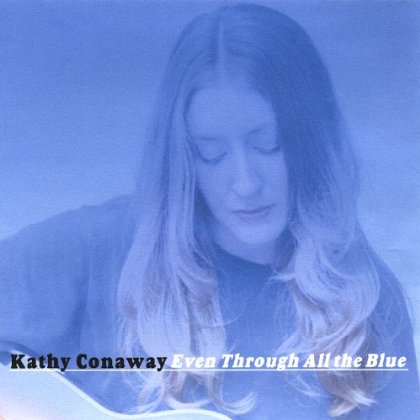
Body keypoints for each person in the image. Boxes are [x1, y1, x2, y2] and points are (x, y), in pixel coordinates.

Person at [0, 3, 418, 419]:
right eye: (211, 153)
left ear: (311, 142)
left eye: (268, 144)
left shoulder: (367, 299)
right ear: (183, 157)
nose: (245, 183)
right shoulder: (94, 247)